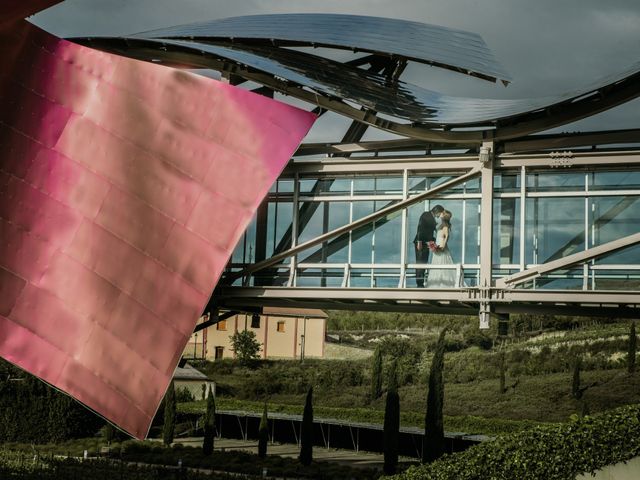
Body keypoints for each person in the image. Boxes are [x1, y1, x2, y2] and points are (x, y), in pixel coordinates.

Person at [426, 209, 459, 288]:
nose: (440, 214)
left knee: (442, 266)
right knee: (436, 266)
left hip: (441, 249)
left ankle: (443, 285)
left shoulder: (445, 227)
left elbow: (446, 238)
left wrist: (441, 247)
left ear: (444, 216)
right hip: (437, 248)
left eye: (442, 213)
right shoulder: (441, 225)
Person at [413, 204, 444, 287]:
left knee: (424, 262)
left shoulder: (431, 217)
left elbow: (429, 232)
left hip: (426, 243)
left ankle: (421, 283)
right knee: (420, 262)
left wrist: (434, 241)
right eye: (439, 213)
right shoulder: (426, 215)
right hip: (421, 242)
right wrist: (419, 241)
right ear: (437, 211)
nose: (439, 215)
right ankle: (419, 284)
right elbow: (420, 227)